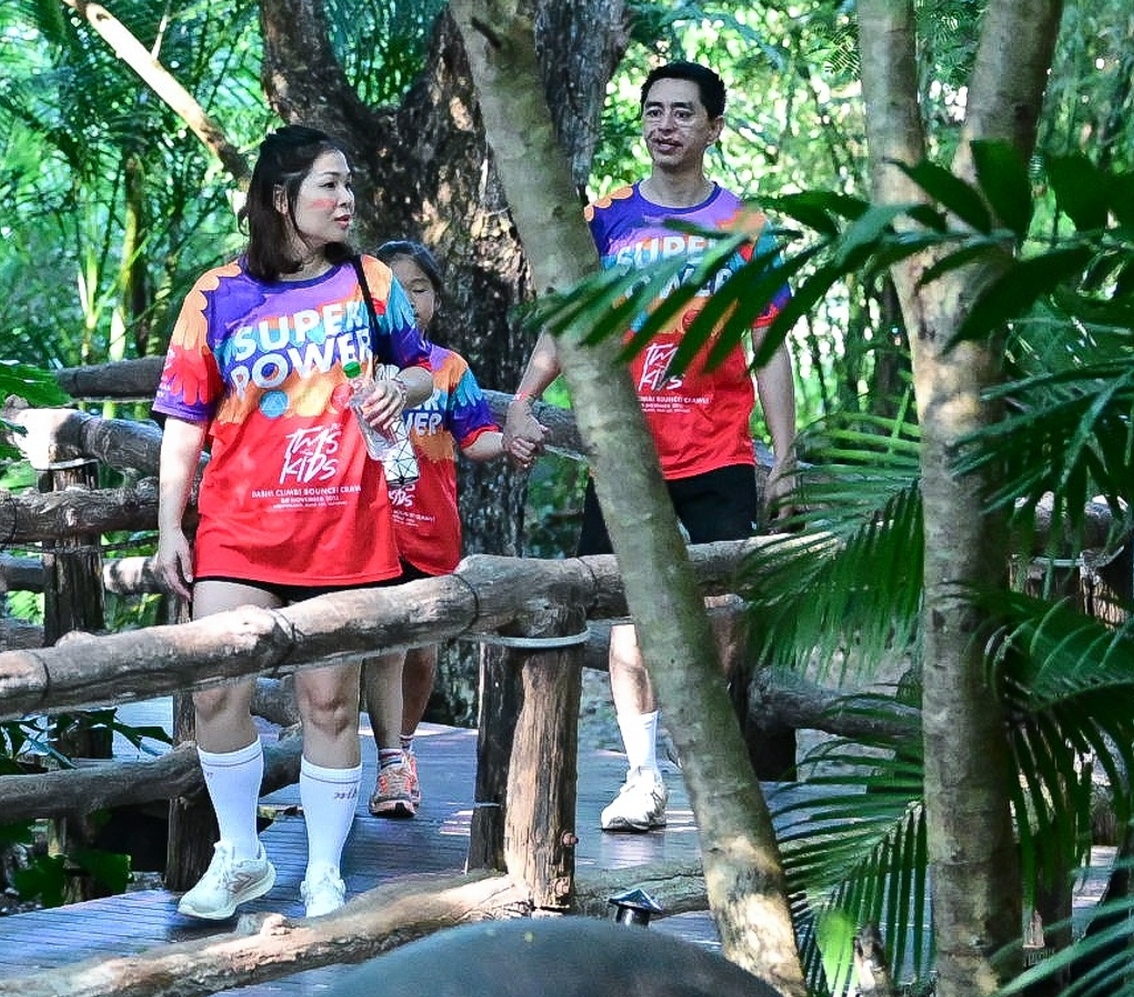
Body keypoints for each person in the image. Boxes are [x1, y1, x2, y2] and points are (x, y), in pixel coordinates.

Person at [153, 127, 443, 922]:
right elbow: (184, 419)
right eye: (329, 185)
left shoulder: (370, 281)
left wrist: (401, 389)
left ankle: (322, 872)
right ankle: (240, 854)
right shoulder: (216, 294)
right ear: (281, 198)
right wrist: (170, 526)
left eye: (348, 184)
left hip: (344, 526)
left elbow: (422, 369)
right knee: (216, 690)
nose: (346, 200)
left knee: (328, 703)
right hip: (238, 527)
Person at [512, 60, 796, 834]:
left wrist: (784, 453)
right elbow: (568, 320)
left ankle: (693, 738)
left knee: (722, 611)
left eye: (682, 112)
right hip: (624, 453)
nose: (665, 125)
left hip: (718, 448)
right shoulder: (607, 219)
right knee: (629, 617)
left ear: (713, 128)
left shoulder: (743, 227)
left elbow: (770, 343)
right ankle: (643, 776)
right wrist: (525, 400)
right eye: (653, 111)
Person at [356, 240, 542, 818]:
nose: (409, 300)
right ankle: (390, 763)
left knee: (422, 650)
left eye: (419, 288)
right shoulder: (352, 361)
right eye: (396, 289)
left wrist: (511, 442)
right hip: (369, 526)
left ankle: (405, 746)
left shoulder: (450, 369)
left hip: (432, 528)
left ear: (435, 298)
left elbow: (475, 437)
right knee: (387, 642)